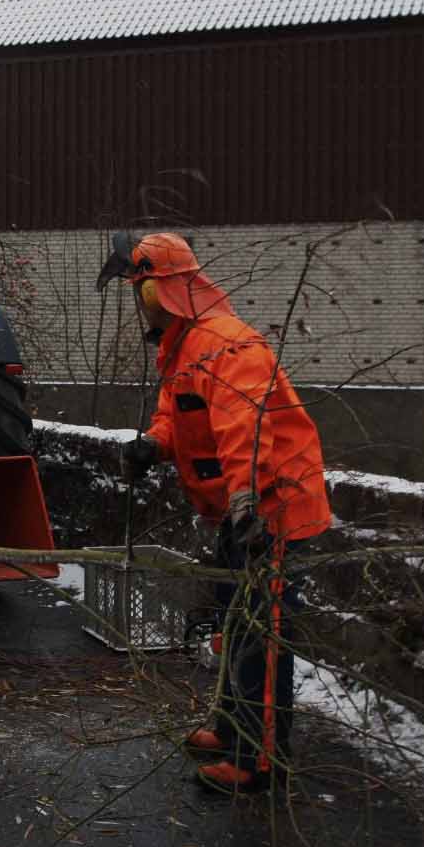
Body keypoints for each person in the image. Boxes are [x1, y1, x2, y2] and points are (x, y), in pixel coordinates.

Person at [95, 233, 332, 792]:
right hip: (238, 509)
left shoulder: (226, 345)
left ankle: (260, 760)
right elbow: (177, 417)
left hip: (271, 508)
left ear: (164, 291)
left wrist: (247, 501)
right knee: (234, 622)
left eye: (143, 292)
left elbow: (245, 429)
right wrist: (153, 445)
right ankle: (230, 727)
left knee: (259, 634)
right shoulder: (182, 348)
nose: (141, 305)